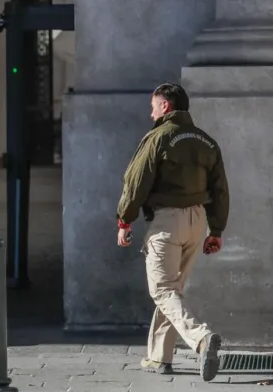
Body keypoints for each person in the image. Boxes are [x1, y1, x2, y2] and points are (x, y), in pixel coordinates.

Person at [115, 83, 229, 382]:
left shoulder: (158, 137)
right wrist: (215, 229)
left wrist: (124, 220)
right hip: (197, 221)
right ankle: (158, 357)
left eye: (153, 105)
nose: (151, 111)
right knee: (172, 290)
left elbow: (135, 182)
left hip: (166, 222)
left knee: (163, 290)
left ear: (165, 106)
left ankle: (201, 338)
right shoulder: (207, 142)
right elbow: (220, 190)